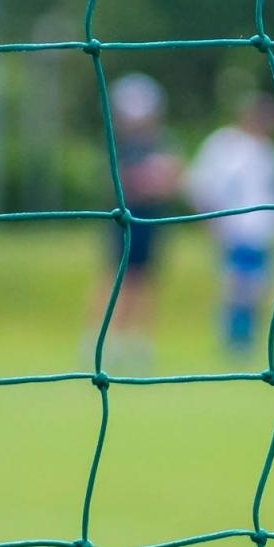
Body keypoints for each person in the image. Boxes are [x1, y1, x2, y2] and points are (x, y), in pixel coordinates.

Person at [90, 72, 180, 371]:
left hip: (151, 217)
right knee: (114, 278)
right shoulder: (120, 145)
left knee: (146, 279)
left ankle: (139, 342)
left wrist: (160, 179)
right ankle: (102, 339)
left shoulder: (161, 142)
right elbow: (115, 181)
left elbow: (172, 177)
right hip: (124, 218)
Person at [183, 92, 274, 356]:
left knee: (258, 288)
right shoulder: (223, 144)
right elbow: (199, 184)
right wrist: (209, 221)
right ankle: (233, 342)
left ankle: (249, 341)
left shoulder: (266, 150)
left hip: (262, 232)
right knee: (236, 287)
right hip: (234, 231)